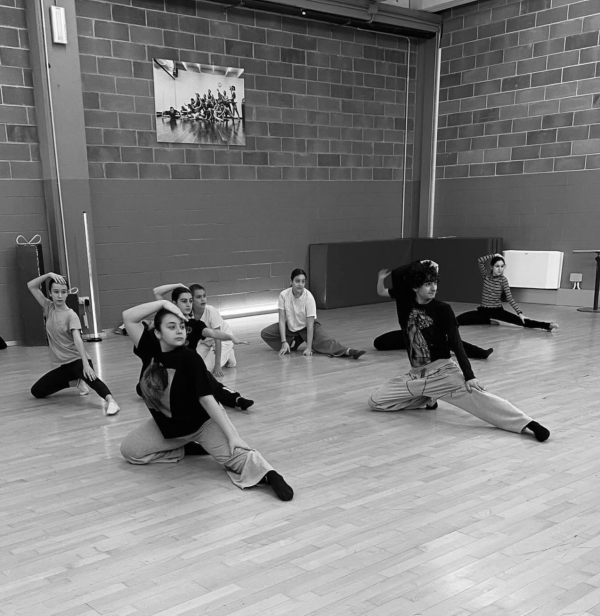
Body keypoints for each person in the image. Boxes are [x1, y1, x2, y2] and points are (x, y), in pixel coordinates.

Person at [120, 300, 294, 501]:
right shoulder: (149, 348)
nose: (179, 331)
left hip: (202, 424)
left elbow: (208, 399)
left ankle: (271, 475)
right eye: (171, 327)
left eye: (181, 326)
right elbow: (128, 317)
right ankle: (183, 448)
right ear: (158, 333)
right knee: (130, 451)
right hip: (167, 428)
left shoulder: (190, 359)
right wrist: (164, 303)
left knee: (237, 456)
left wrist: (232, 435)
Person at [368, 261, 550, 442]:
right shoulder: (405, 303)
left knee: (482, 399)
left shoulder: (442, 309)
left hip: (443, 374)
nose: (433, 288)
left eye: (435, 283)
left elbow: (456, 343)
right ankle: (428, 396)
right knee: (376, 402)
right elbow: (398, 274)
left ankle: (528, 424)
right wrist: (421, 264)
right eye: (428, 284)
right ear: (415, 287)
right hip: (416, 376)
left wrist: (469, 376)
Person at [27, 272, 120, 415]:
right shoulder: (49, 307)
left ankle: (112, 401)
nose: (60, 296)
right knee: (37, 391)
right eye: (56, 292)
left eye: (63, 292)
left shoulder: (71, 315)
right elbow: (31, 286)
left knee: (93, 381)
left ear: (67, 293)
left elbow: (77, 339)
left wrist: (86, 364)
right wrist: (48, 275)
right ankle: (76, 382)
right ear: (50, 293)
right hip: (65, 366)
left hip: (78, 361)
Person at [151, 283, 254, 411]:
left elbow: (213, 333)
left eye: (190, 301)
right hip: (168, 366)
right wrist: (178, 285)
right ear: (174, 303)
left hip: (189, 364)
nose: (188, 304)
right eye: (184, 301)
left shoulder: (196, 324)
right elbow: (157, 292)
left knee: (208, 381)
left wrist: (230, 337)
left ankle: (237, 399)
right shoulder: (166, 316)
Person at [373, 261, 492, 359]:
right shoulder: (403, 293)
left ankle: (480, 352)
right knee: (379, 343)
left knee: (448, 341)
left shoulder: (422, 294)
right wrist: (380, 279)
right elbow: (381, 292)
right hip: (409, 333)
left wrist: (423, 264)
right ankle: (414, 344)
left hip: (426, 331)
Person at [260, 268, 366, 359]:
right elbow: (282, 320)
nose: (300, 284)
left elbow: (310, 325)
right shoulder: (283, 295)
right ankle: (294, 342)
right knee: (266, 333)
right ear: (291, 281)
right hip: (291, 327)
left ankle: (348, 351)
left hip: (307, 327)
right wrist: (283, 342)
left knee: (325, 342)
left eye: (303, 281)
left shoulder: (309, 297)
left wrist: (309, 347)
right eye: (297, 281)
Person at [457, 254, 559, 331]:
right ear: (491, 267)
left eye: (502, 266)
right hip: (483, 310)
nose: (500, 269)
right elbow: (480, 260)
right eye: (497, 266)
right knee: (458, 320)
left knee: (522, 321)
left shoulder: (503, 280)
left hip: (497, 311)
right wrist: (494, 255)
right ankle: (487, 320)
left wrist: (520, 313)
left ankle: (547, 325)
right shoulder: (486, 276)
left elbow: (510, 298)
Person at [189, 284, 236, 376]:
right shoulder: (189, 313)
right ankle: (226, 353)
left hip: (222, 340)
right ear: (191, 300)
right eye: (198, 297)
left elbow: (217, 337)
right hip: (205, 342)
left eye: (204, 296)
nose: (203, 299)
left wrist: (217, 365)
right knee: (194, 365)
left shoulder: (211, 310)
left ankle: (229, 353)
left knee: (205, 369)